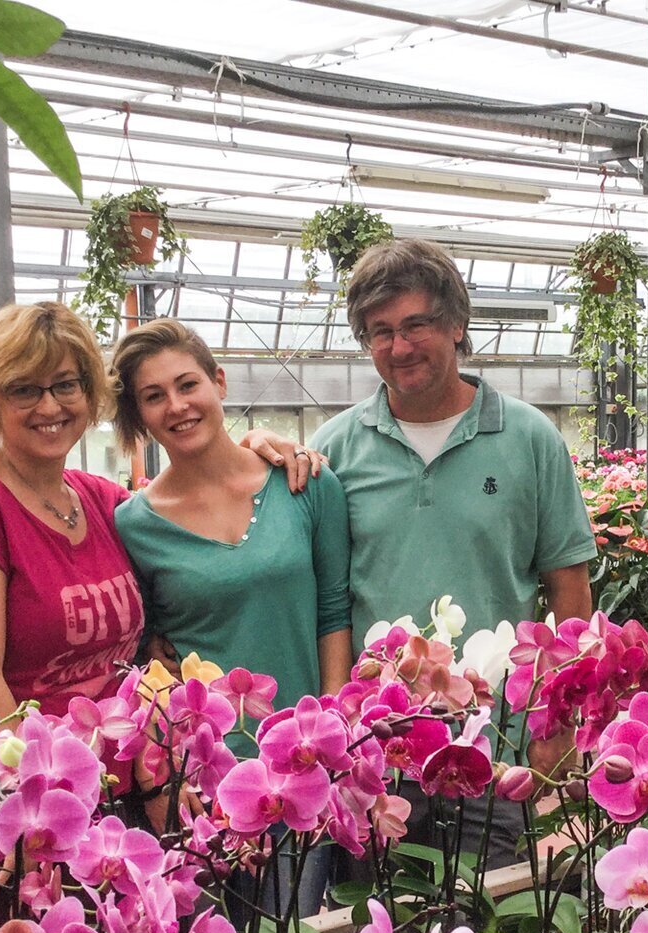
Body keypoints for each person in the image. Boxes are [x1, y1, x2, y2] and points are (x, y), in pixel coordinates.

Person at [245, 238, 596, 859]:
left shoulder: (530, 439)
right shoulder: (335, 449)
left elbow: (568, 587)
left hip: (491, 745)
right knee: (373, 931)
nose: (399, 347)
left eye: (417, 325)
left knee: (488, 923)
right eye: (380, 332)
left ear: (457, 325)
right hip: (377, 757)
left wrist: (560, 720)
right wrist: (246, 452)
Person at [111, 320, 351, 913]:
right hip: (202, 780)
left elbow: (333, 609)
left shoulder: (305, 482)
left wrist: (335, 736)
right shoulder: (134, 524)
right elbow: (139, 642)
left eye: (188, 384)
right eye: (153, 396)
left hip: (303, 763)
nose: (177, 405)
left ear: (219, 382)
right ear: (140, 417)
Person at [0, 302, 144, 719]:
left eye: (65, 385)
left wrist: (256, 452)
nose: (48, 407)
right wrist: (43, 779)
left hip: (117, 773)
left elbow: (186, 508)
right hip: (24, 773)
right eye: (24, 389)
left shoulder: (99, 499)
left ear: (88, 391)